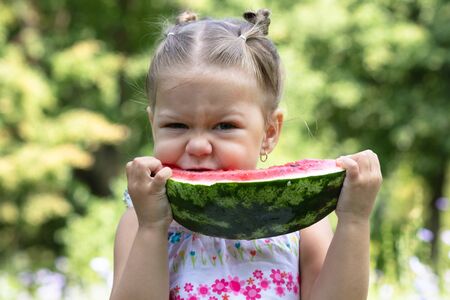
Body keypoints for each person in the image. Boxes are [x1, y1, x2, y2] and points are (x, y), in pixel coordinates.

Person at [109, 8, 382, 300]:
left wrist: (354, 220)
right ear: (153, 126)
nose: (198, 146)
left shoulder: (302, 220)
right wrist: (152, 227)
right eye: (176, 125)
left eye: (225, 126)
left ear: (269, 133)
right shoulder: (140, 219)